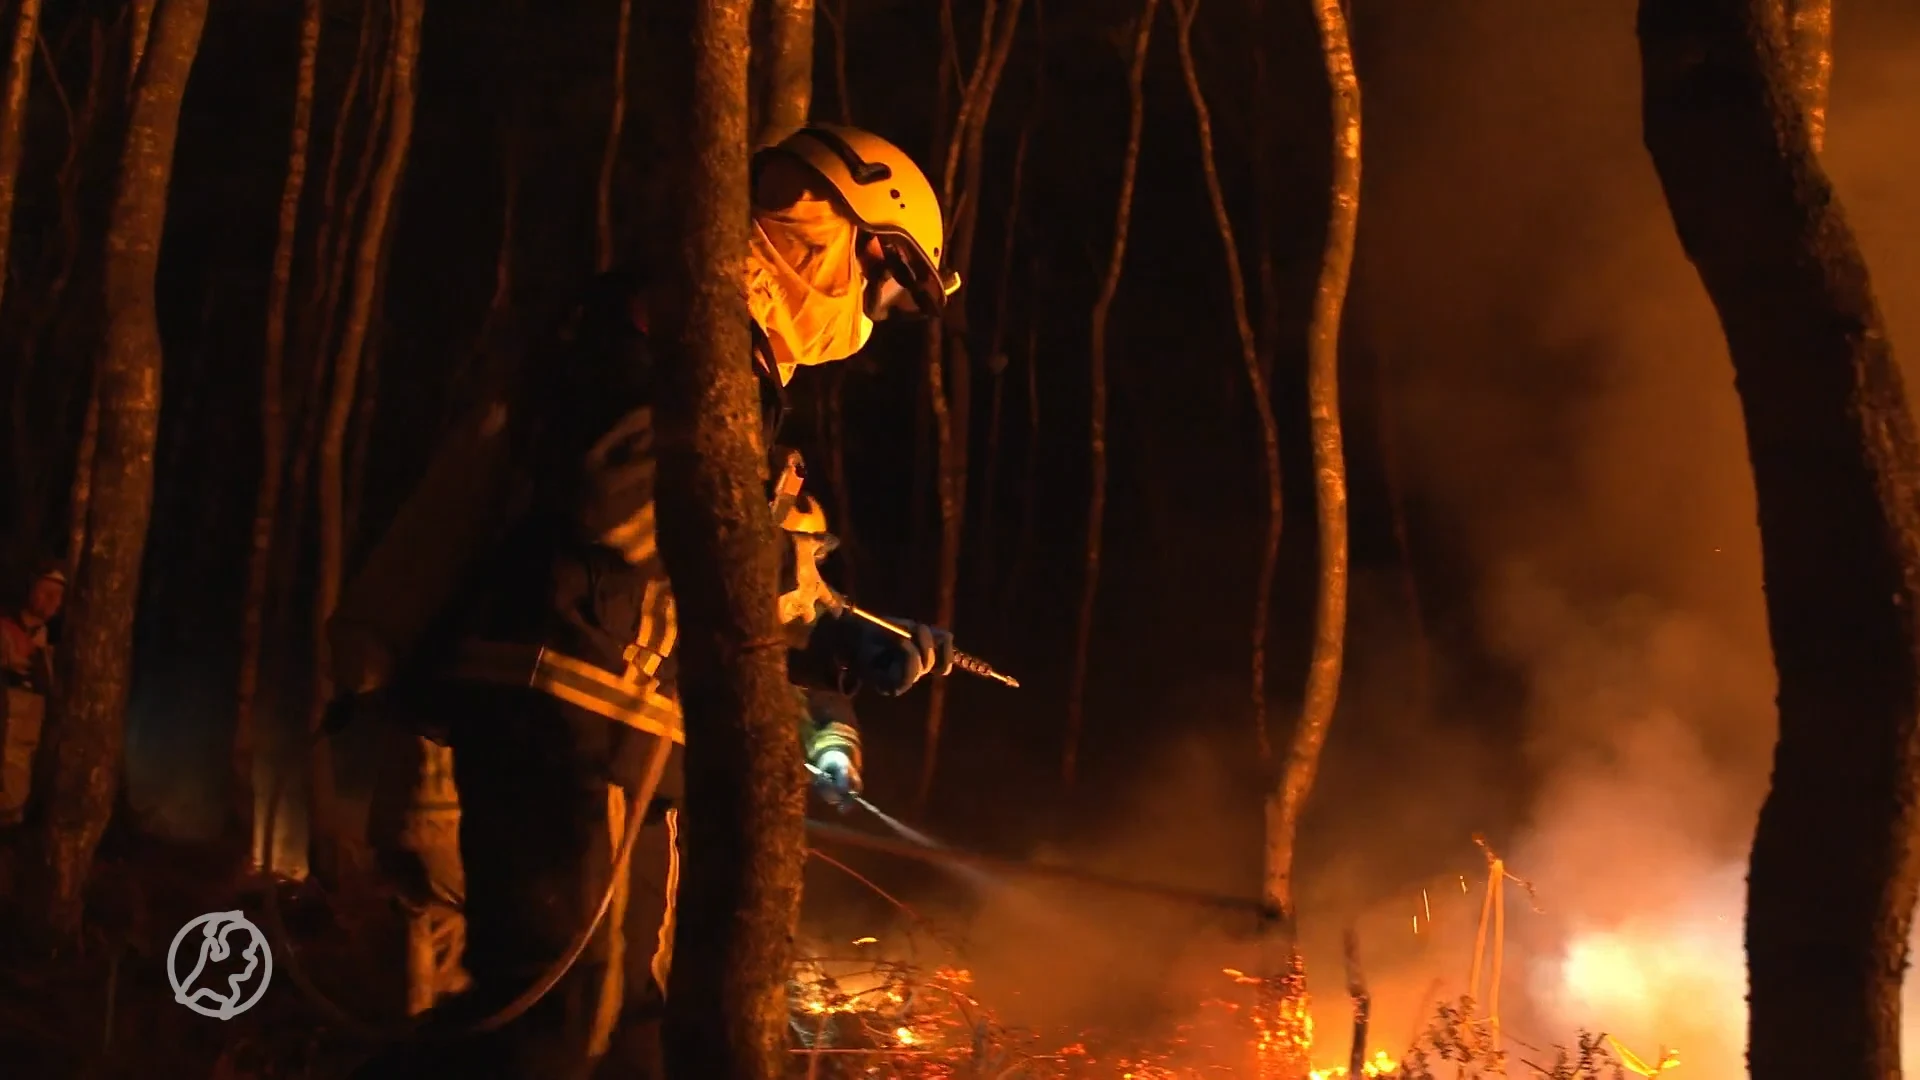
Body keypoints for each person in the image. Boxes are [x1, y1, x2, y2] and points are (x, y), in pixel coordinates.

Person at [336, 123, 960, 1079]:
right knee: (546, 1024)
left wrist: (833, 629)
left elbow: (716, 546)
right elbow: (636, 512)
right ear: (833, 233)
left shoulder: (729, 356)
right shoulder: (670, 324)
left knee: (628, 1030)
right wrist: (799, 592)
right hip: (563, 702)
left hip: (621, 720)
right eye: (885, 284)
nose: (875, 316)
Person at [0, 564, 65, 827]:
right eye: (45, 592)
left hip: (28, 739)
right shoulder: (3, 628)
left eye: (58, 595)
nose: (52, 601)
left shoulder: (52, 645)